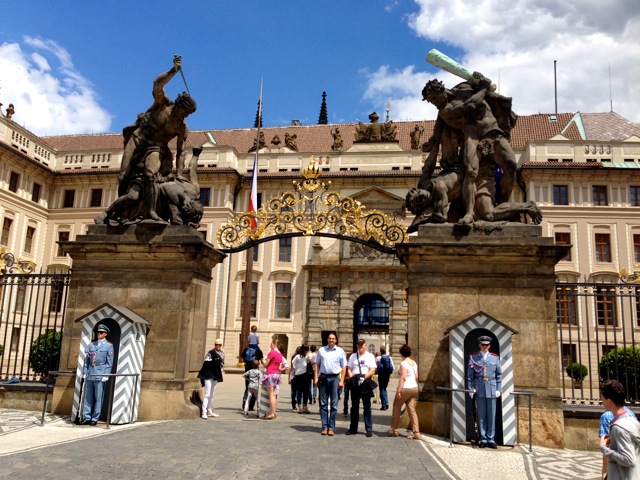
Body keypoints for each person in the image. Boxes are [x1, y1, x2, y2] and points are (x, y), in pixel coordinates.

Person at [95, 56, 197, 225]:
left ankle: (151, 211)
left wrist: (179, 174)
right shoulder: (163, 105)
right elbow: (157, 84)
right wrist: (173, 71)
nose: (185, 116)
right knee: (123, 177)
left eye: (188, 114)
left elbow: (181, 152)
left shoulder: (181, 128)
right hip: (137, 141)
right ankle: (115, 214)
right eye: (185, 112)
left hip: (156, 149)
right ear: (179, 105)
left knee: (150, 175)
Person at [422, 76, 517, 225]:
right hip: (472, 136)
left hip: (493, 131)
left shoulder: (465, 87)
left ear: (441, 90)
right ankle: (469, 213)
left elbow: (483, 84)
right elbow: (470, 105)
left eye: (434, 98)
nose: (435, 103)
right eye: (431, 101)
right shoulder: (445, 111)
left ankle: (504, 204)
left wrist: (481, 80)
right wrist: (484, 88)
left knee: (511, 165)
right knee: (470, 171)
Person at [599, 380, 640, 480]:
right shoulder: (632, 420)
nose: (601, 401)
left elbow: (629, 460)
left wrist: (604, 449)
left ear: (609, 402)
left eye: (602, 398)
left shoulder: (619, 427)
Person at [467, 335, 502, 448]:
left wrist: (498, 389)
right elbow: (470, 375)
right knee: (481, 415)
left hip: (492, 388)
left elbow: (499, 375)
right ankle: (483, 439)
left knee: (491, 415)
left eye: (487, 345)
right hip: (480, 388)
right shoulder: (473, 357)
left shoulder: (495, 358)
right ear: (479, 345)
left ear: (489, 346)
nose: (485, 346)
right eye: (483, 344)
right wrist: (471, 388)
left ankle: (491, 439)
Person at [314, 332, 347, 436]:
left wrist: (342, 380)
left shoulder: (340, 351)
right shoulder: (321, 350)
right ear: (327, 339)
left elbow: (344, 367)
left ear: (336, 340)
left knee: (334, 404)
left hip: (335, 378)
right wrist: (316, 378)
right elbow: (317, 365)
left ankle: (331, 427)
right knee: (323, 403)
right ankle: (324, 427)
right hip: (323, 377)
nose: (331, 340)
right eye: (330, 338)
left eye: (333, 338)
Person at [82, 324, 114, 426]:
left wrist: (106, 375)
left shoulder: (109, 345)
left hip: (100, 373)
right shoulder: (92, 345)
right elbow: (87, 360)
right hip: (90, 373)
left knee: (98, 397)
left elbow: (109, 362)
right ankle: (87, 417)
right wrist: (85, 372)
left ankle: (95, 418)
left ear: (105, 334)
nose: (98, 334)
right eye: (98, 332)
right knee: (88, 397)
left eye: (101, 332)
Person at [388, 344, 421, 439]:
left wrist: (399, 390)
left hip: (405, 388)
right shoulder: (414, 363)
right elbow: (417, 376)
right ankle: (416, 432)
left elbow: (403, 378)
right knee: (412, 410)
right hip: (414, 388)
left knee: (396, 407)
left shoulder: (403, 364)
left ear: (401, 354)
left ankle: (394, 429)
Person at [346, 339, 377, 437]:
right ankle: (353, 428)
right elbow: (349, 369)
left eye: (361, 345)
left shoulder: (370, 356)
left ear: (365, 345)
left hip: (365, 380)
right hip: (355, 380)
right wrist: (352, 377)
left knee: (367, 406)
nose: (360, 347)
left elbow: (372, 370)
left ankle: (369, 429)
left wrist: (364, 377)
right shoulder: (353, 356)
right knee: (354, 406)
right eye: (358, 345)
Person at [197, 339, 224, 419]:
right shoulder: (211, 353)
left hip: (216, 375)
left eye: (219, 345)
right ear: (214, 345)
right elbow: (206, 363)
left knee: (212, 394)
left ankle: (209, 411)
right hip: (209, 375)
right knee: (207, 394)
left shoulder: (222, 353)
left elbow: (222, 364)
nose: (218, 346)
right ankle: (204, 412)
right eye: (216, 344)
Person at [261, 339, 283, 420]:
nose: (270, 345)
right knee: (274, 394)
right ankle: (273, 412)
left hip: (270, 373)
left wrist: (262, 360)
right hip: (276, 374)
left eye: (271, 344)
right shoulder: (280, 354)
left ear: (274, 344)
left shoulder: (272, 352)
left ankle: (271, 413)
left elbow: (266, 364)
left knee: (271, 395)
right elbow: (279, 366)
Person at [241, 343, 263, 411]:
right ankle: (251, 406)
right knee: (255, 390)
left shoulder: (246, 350)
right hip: (256, 373)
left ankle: (244, 405)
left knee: (247, 388)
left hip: (248, 371)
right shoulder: (258, 351)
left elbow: (243, 359)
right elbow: (262, 361)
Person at [291, 345, 311, 413]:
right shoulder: (306, 356)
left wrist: (296, 369)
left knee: (301, 391)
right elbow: (312, 362)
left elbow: (293, 364)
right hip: (304, 375)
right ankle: (303, 407)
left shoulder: (298, 356)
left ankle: (301, 407)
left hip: (299, 375)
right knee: (304, 391)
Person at [377, 346, 395, 411]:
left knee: (382, 389)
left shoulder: (378, 358)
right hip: (387, 375)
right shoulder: (389, 358)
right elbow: (393, 367)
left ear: (380, 351)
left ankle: (384, 405)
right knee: (384, 388)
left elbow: (375, 366)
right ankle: (386, 403)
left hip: (381, 375)